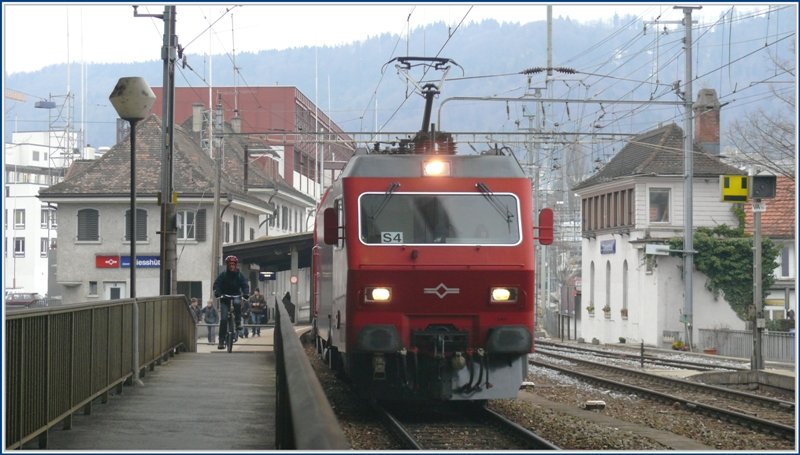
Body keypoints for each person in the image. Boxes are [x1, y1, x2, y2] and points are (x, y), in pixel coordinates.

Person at [213, 255, 250, 349]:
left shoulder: (239, 275)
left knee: (237, 303)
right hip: (224, 297)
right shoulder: (223, 275)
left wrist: (246, 293)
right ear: (227, 265)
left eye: (233, 264)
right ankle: (221, 341)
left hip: (236, 295)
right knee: (224, 319)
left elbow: (245, 285)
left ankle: (238, 322)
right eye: (230, 264)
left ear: (236, 265)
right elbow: (217, 284)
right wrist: (217, 293)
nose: (232, 266)